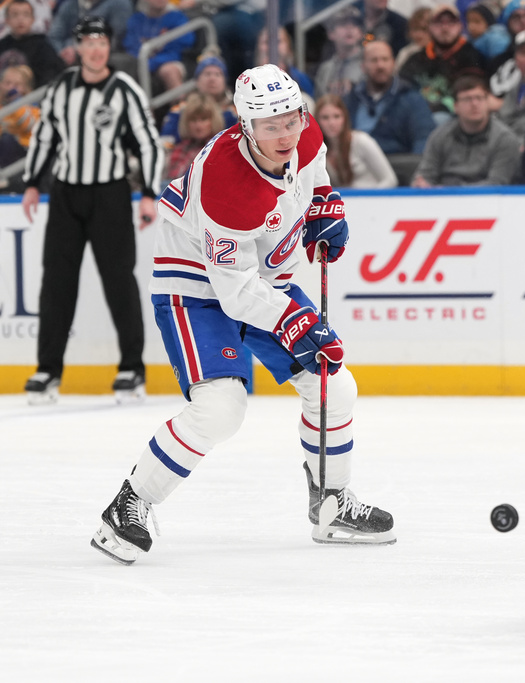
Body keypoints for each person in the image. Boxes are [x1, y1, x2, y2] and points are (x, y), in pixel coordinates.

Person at [90, 63, 397, 566]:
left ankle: (332, 505)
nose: (284, 133)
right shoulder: (227, 184)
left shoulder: (306, 130)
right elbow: (234, 295)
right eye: (269, 125)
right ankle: (129, 504)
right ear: (243, 125)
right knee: (221, 407)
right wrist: (296, 322)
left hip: (260, 279)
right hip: (195, 283)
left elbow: (314, 173)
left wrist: (324, 203)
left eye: (290, 119)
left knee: (333, 385)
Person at [21, 17, 164, 404]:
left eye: (102, 42)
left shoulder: (124, 90)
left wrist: (150, 192)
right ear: (78, 47)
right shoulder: (61, 88)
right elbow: (45, 137)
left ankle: (131, 368)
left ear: (108, 47)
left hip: (110, 195)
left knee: (119, 281)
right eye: (88, 42)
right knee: (56, 284)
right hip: (66, 195)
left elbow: (148, 143)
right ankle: (48, 370)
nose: (96, 49)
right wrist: (33, 183)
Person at [411, 73, 520, 186]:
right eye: (467, 99)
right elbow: (425, 175)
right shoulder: (439, 136)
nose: (474, 104)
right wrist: (421, 184)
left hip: (488, 201)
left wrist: (451, 192)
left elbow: (497, 184)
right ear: (455, 106)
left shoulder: (505, 139)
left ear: (488, 102)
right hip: (442, 201)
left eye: (479, 98)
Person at [344, 40, 436, 154]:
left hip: (396, 163)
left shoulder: (411, 98)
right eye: (374, 60)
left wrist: (417, 167)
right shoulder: (350, 98)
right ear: (363, 66)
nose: (380, 65)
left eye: (385, 59)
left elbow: (424, 137)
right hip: (354, 162)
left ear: (393, 63)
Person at [399, 4, 486, 120]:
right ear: (429, 27)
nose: (445, 28)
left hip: (454, 117)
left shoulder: (472, 56)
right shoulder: (417, 58)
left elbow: (472, 94)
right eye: (439, 23)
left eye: (451, 23)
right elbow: (401, 88)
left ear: (460, 26)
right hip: (416, 114)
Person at [315, 94, 398, 188]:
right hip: (343, 201)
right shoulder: (318, 150)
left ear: (345, 118)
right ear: (316, 121)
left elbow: (390, 180)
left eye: (337, 116)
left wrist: (369, 198)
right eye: (325, 118)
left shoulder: (361, 141)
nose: (332, 123)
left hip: (371, 198)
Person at [160, 51, 238, 143]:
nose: (212, 79)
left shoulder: (235, 113)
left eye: (218, 74)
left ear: (225, 82)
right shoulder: (179, 111)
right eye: (207, 74)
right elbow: (165, 143)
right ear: (197, 81)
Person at [123, 0, 194, 96]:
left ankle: (180, 108)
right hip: (141, 63)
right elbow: (130, 46)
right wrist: (144, 61)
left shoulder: (177, 17)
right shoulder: (137, 19)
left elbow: (182, 46)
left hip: (168, 61)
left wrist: (152, 62)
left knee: (169, 70)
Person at [48, 0, 132, 68]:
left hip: (107, 55)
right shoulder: (70, 4)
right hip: (68, 57)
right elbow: (54, 35)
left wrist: (78, 50)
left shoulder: (119, 3)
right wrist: (62, 52)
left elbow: (115, 38)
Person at [0, 0, 64, 87]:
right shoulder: (2, 45)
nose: (20, 19)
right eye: (15, 15)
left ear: (33, 19)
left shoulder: (43, 47)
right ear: (7, 20)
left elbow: (49, 78)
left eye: (26, 14)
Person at [164, 92, 225, 181]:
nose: (198, 126)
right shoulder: (180, 148)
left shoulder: (220, 148)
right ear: (186, 122)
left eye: (203, 119)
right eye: (193, 120)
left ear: (213, 120)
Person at [314, 6, 364, 99]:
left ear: (361, 33)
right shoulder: (325, 70)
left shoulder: (368, 64)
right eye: (343, 24)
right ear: (331, 33)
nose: (349, 28)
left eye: (354, 24)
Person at [256, 26, 315, 97]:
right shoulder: (248, 81)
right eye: (266, 42)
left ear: (288, 46)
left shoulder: (301, 80)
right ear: (258, 47)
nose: (272, 47)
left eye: (278, 41)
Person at [0, 62, 37, 168]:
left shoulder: (31, 106)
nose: (11, 88)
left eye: (17, 85)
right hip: (3, 152)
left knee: (8, 139)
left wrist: (17, 104)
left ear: (25, 88)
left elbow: (29, 125)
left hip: (24, 149)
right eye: (7, 83)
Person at [394, 6, 431, 72]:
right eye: (415, 29)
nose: (419, 34)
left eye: (424, 29)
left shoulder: (443, 53)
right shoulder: (405, 53)